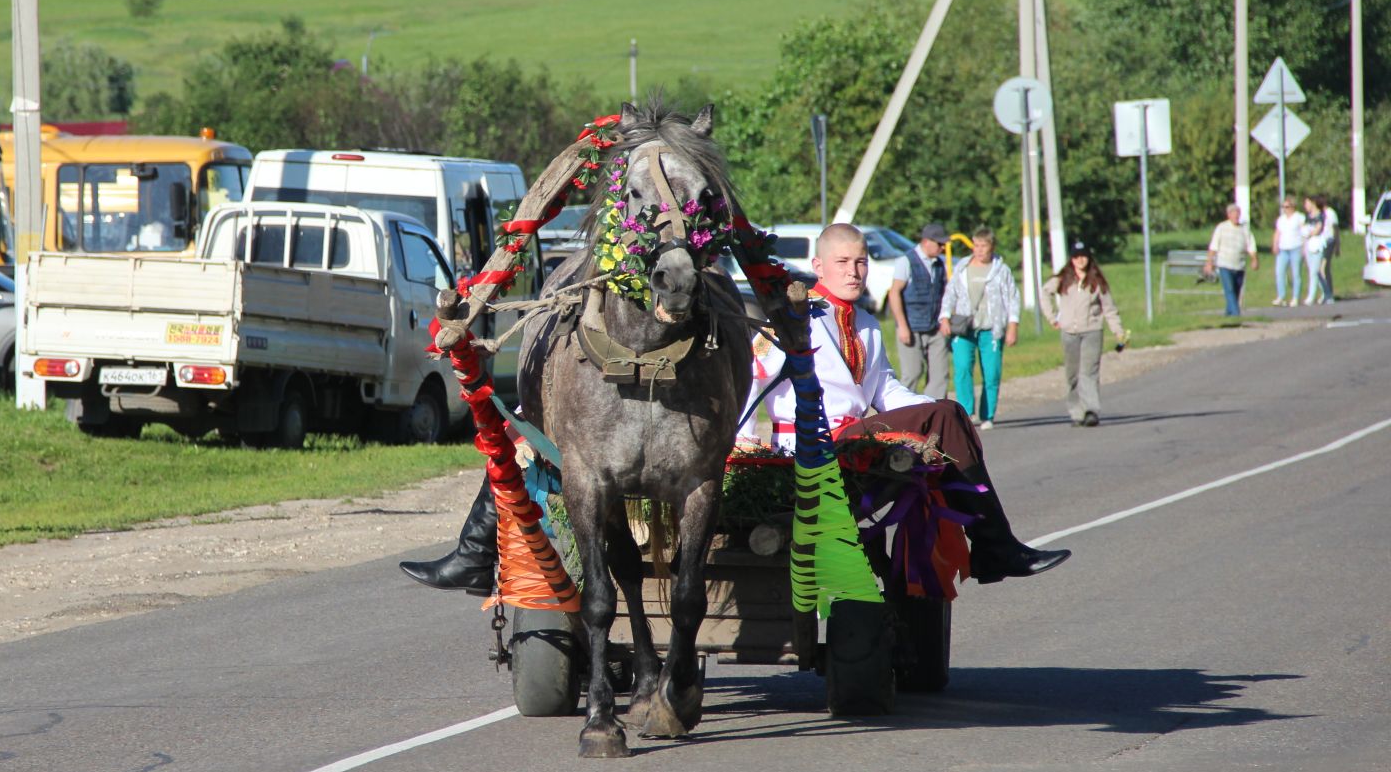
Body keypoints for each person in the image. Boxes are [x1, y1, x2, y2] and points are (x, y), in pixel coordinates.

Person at [399, 224, 1070, 593]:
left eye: (863, 263)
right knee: (532, 433)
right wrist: (733, 445)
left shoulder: (862, 327)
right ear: (819, 263)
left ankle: (994, 544)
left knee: (946, 412)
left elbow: (885, 393)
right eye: (845, 262)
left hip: (849, 436)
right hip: (793, 439)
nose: (857, 272)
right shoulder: (789, 323)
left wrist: (922, 411)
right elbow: (750, 390)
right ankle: (995, 546)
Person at [938, 227, 1020, 430]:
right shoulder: (963, 267)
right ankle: (966, 412)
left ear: (992, 247)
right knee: (963, 368)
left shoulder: (1001, 270)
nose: (979, 250)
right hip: (964, 328)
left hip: (991, 328)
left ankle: (987, 414)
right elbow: (950, 294)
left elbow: (1012, 298)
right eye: (976, 245)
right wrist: (945, 317)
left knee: (991, 372)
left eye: (984, 246)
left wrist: (1012, 326)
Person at [1045, 240, 1128, 427]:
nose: (1080, 260)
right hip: (1069, 332)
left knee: (1089, 371)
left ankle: (1091, 410)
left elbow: (1109, 309)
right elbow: (1044, 293)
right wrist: (1052, 317)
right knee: (1072, 374)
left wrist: (1118, 332)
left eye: (1083, 256)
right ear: (1071, 259)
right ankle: (1077, 412)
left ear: (1089, 258)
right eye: (1076, 257)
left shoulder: (1096, 281)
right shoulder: (1063, 279)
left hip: (1092, 330)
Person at [895, 222, 950, 397]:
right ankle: (902, 415)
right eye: (939, 244)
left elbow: (944, 294)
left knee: (939, 376)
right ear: (926, 241)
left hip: (935, 327)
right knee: (912, 373)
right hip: (911, 327)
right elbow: (894, 293)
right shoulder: (906, 261)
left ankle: (934, 415)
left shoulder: (939, 264)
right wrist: (902, 326)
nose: (942, 248)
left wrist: (945, 319)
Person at [1203, 203, 1258, 316]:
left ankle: (1228, 315)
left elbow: (1251, 246)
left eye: (1237, 214)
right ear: (1228, 215)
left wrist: (1254, 259)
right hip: (1224, 264)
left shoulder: (1244, 229)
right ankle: (1236, 314)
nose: (1236, 216)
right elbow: (1213, 246)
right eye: (1233, 214)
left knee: (1236, 291)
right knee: (1229, 290)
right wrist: (1209, 262)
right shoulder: (1222, 227)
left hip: (1239, 265)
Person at [1272, 197, 1306, 306]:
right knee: (1279, 272)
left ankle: (1295, 297)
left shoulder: (1299, 217)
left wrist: (1304, 247)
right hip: (1283, 248)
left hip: (1296, 247)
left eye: (1286, 207)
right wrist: (1275, 244)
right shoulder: (1281, 219)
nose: (1284, 209)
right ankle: (1281, 296)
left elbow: (1303, 231)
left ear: (1292, 207)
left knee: (1296, 273)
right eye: (1283, 207)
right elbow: (1277, 232)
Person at [1301, 196, 1330, 305]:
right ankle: (1326, 292)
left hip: (1317, 245)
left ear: (1313, 203)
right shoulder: (1307, 217)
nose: (1306, 206)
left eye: (1307, 203)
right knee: (1312, 271)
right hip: (1309, 245)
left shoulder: (1321, 216)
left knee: (1314, 271)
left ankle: (1311, 296)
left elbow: (1318, 229)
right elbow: (1303, 229)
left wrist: (1309, 233)